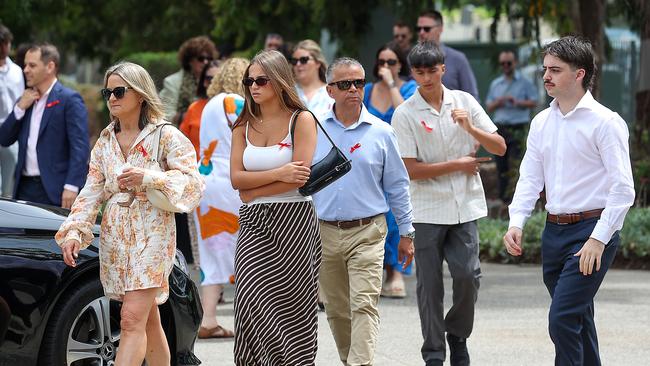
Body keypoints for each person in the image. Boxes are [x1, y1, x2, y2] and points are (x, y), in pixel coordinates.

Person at [56, 61, 204, 365]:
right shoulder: (105, 142)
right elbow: (92, 190)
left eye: (119, 90)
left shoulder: (165, 135)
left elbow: (192, 183)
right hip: (116, 237)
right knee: (149, 320)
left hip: (153, 232)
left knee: (130, 319)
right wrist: (74, 230)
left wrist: (149, 178)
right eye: (107, 91)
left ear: (139, 94)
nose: (111, 97)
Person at [503, 36, 635, 366]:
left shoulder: (606, 122)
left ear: (579, 74)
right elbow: (530, 179)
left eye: (555, 70)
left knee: (561, 319)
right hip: (554, 233)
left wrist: (597, 240)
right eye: (544, 69)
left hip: (591, 231)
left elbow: (623, 189)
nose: (546, 76)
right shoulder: (541, 122)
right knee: (578, 318)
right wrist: (516, 221)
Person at [391, 41, 506, 366]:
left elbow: (498, 147)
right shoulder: (405, 113)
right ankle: (434, 353)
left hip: (464, 207)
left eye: (432, 70)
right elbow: (410, 169)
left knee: (468, 276)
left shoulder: (465, 101)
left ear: (443, 68)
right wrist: (458, 164)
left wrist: (469, 127)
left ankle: (457, 334)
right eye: (419, 72)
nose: (426, 78)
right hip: (426, 210)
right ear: (411, 72)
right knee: (429, 287)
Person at [312, 57, 415, 366]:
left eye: (359, 82)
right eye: (345, 84)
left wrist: (407, 233)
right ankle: (351, 360)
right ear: (330, 90)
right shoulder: (312, 128)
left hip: (369, 231)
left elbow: (398, 185)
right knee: (337, 309)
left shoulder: (382, 132)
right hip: (323, 232)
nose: (354, 89)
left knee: (364, 303)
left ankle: (359, 363)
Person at [229, 50, 321, 365]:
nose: (254, 86)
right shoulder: (242, 124)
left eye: (262, 80)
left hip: (295, 221)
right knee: (250, 295)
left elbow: (301, 178)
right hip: (254, 222)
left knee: (294, 304)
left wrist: (256, 189)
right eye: (249, 80)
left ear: (279, 81)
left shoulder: (302, 119)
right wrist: (277, 175)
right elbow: (236, 180)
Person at [193, 57, 248, 339]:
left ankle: (209, 318)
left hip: (206, 182)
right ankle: (251, 321)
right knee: (245, 250)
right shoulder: (235, 103)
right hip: (230, 182)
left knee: (212, 253)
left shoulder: (210, 105)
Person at [0, 43, 90, 208]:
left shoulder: (69, 100)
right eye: (25, 65)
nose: (25, 69)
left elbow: (80, 147)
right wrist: (19, 108)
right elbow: (4, 139)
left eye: (32, 65)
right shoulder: (25, 100)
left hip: (56, 190)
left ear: (50, 66)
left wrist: (72, 185)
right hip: (23, 189)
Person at [362, 42, 417, 298]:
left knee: (395, 217)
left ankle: (396, 273)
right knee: (374, 214)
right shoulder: (367, 90)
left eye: (391, 62)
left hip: (398, 157)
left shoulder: (407, 87)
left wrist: (392, 84)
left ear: (400, 65)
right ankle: (376, 271)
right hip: (370, 160)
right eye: (382, 62)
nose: (385, 67)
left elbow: (405, 114)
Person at [485, 50, 538, 202]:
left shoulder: (525, 82)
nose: (505, 66)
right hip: (500, 128)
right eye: (502, 63)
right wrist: (499, 102)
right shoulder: (496, 84)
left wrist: (518, 102)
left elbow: (534, 101)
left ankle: (518, 199)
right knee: (501, 166)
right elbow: (489, 106)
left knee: (517, 165)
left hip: (518, 127)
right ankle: (504, 200)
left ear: (515, 63)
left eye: (508, 63)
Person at [416, 10, 479, 100]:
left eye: (427, 29)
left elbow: (472, 96)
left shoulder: (457, 59)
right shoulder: (410, 60)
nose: (421, 33)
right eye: (418, 29)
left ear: (440, 29)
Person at [159, 35, 218, 126]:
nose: (206, 62)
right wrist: (195, 115)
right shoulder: (172, 82)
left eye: (209, 59)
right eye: (201, 59)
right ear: (190, 61)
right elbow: (166, 115)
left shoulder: (216, 80)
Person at [0, 25, 24, 198]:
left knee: (9, 185)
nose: (4, 47)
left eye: (6, 43)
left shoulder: (17, 71)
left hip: (11, 131)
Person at [180, 60, 220, 159]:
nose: (213, 83)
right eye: (209, 79)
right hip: (195, 168)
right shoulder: (194, 108)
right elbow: (179, 144)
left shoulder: (234, 108)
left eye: (217, 79)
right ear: (203, 82)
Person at [291, 39, 334, 117]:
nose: (298, 64)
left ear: (317, 63)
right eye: (294, 61)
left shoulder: (332, 93)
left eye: (303, 60)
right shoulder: (288, 93)